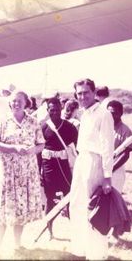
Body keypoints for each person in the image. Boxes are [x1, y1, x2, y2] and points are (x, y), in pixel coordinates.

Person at [0, 90, 45, 257]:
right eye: (13, 100)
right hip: (7, 172)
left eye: (20, 100)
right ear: (9, 103)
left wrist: (33, 149)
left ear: (26, 103)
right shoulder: (2, 120)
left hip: (26, 173)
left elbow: (41, 144)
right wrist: (13, 148)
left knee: (21, 208)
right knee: (3, 210)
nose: (16, 103)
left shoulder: (33, 122)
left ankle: (17, 245)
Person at [69, 78, 114, 260]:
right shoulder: (84, 113)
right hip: (82, 160)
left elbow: (107, 147)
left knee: (94, 209)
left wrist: (107, 176)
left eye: (86, 92)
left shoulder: (103, 114)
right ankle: (81, 250)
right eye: (79, 93)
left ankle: (97, 255)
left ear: (94, 93)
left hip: (95, 162)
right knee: (77, 205)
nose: (82, 96)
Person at [41, 97, 78, 240]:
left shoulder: (70, 127)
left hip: (65, 166)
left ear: (61, 109)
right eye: (51, 110)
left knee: (70, 197)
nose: (55, 113)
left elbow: (77, 149)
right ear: (47, 110)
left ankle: (76, 232)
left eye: (57, 110)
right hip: (48, 166)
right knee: (50, 198)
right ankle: (49, 231)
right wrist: (39, 170)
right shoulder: (42, 127)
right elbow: (39, 152)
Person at [107, 100, 132, 193]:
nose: (111, 116)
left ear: (120, 114)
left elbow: (125, 155)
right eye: (109, 113)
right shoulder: (103, 128)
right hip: (102, 167)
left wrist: (111, 169)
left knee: (113, 199)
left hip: (116, 170)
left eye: (114, 113)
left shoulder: (126, 131)